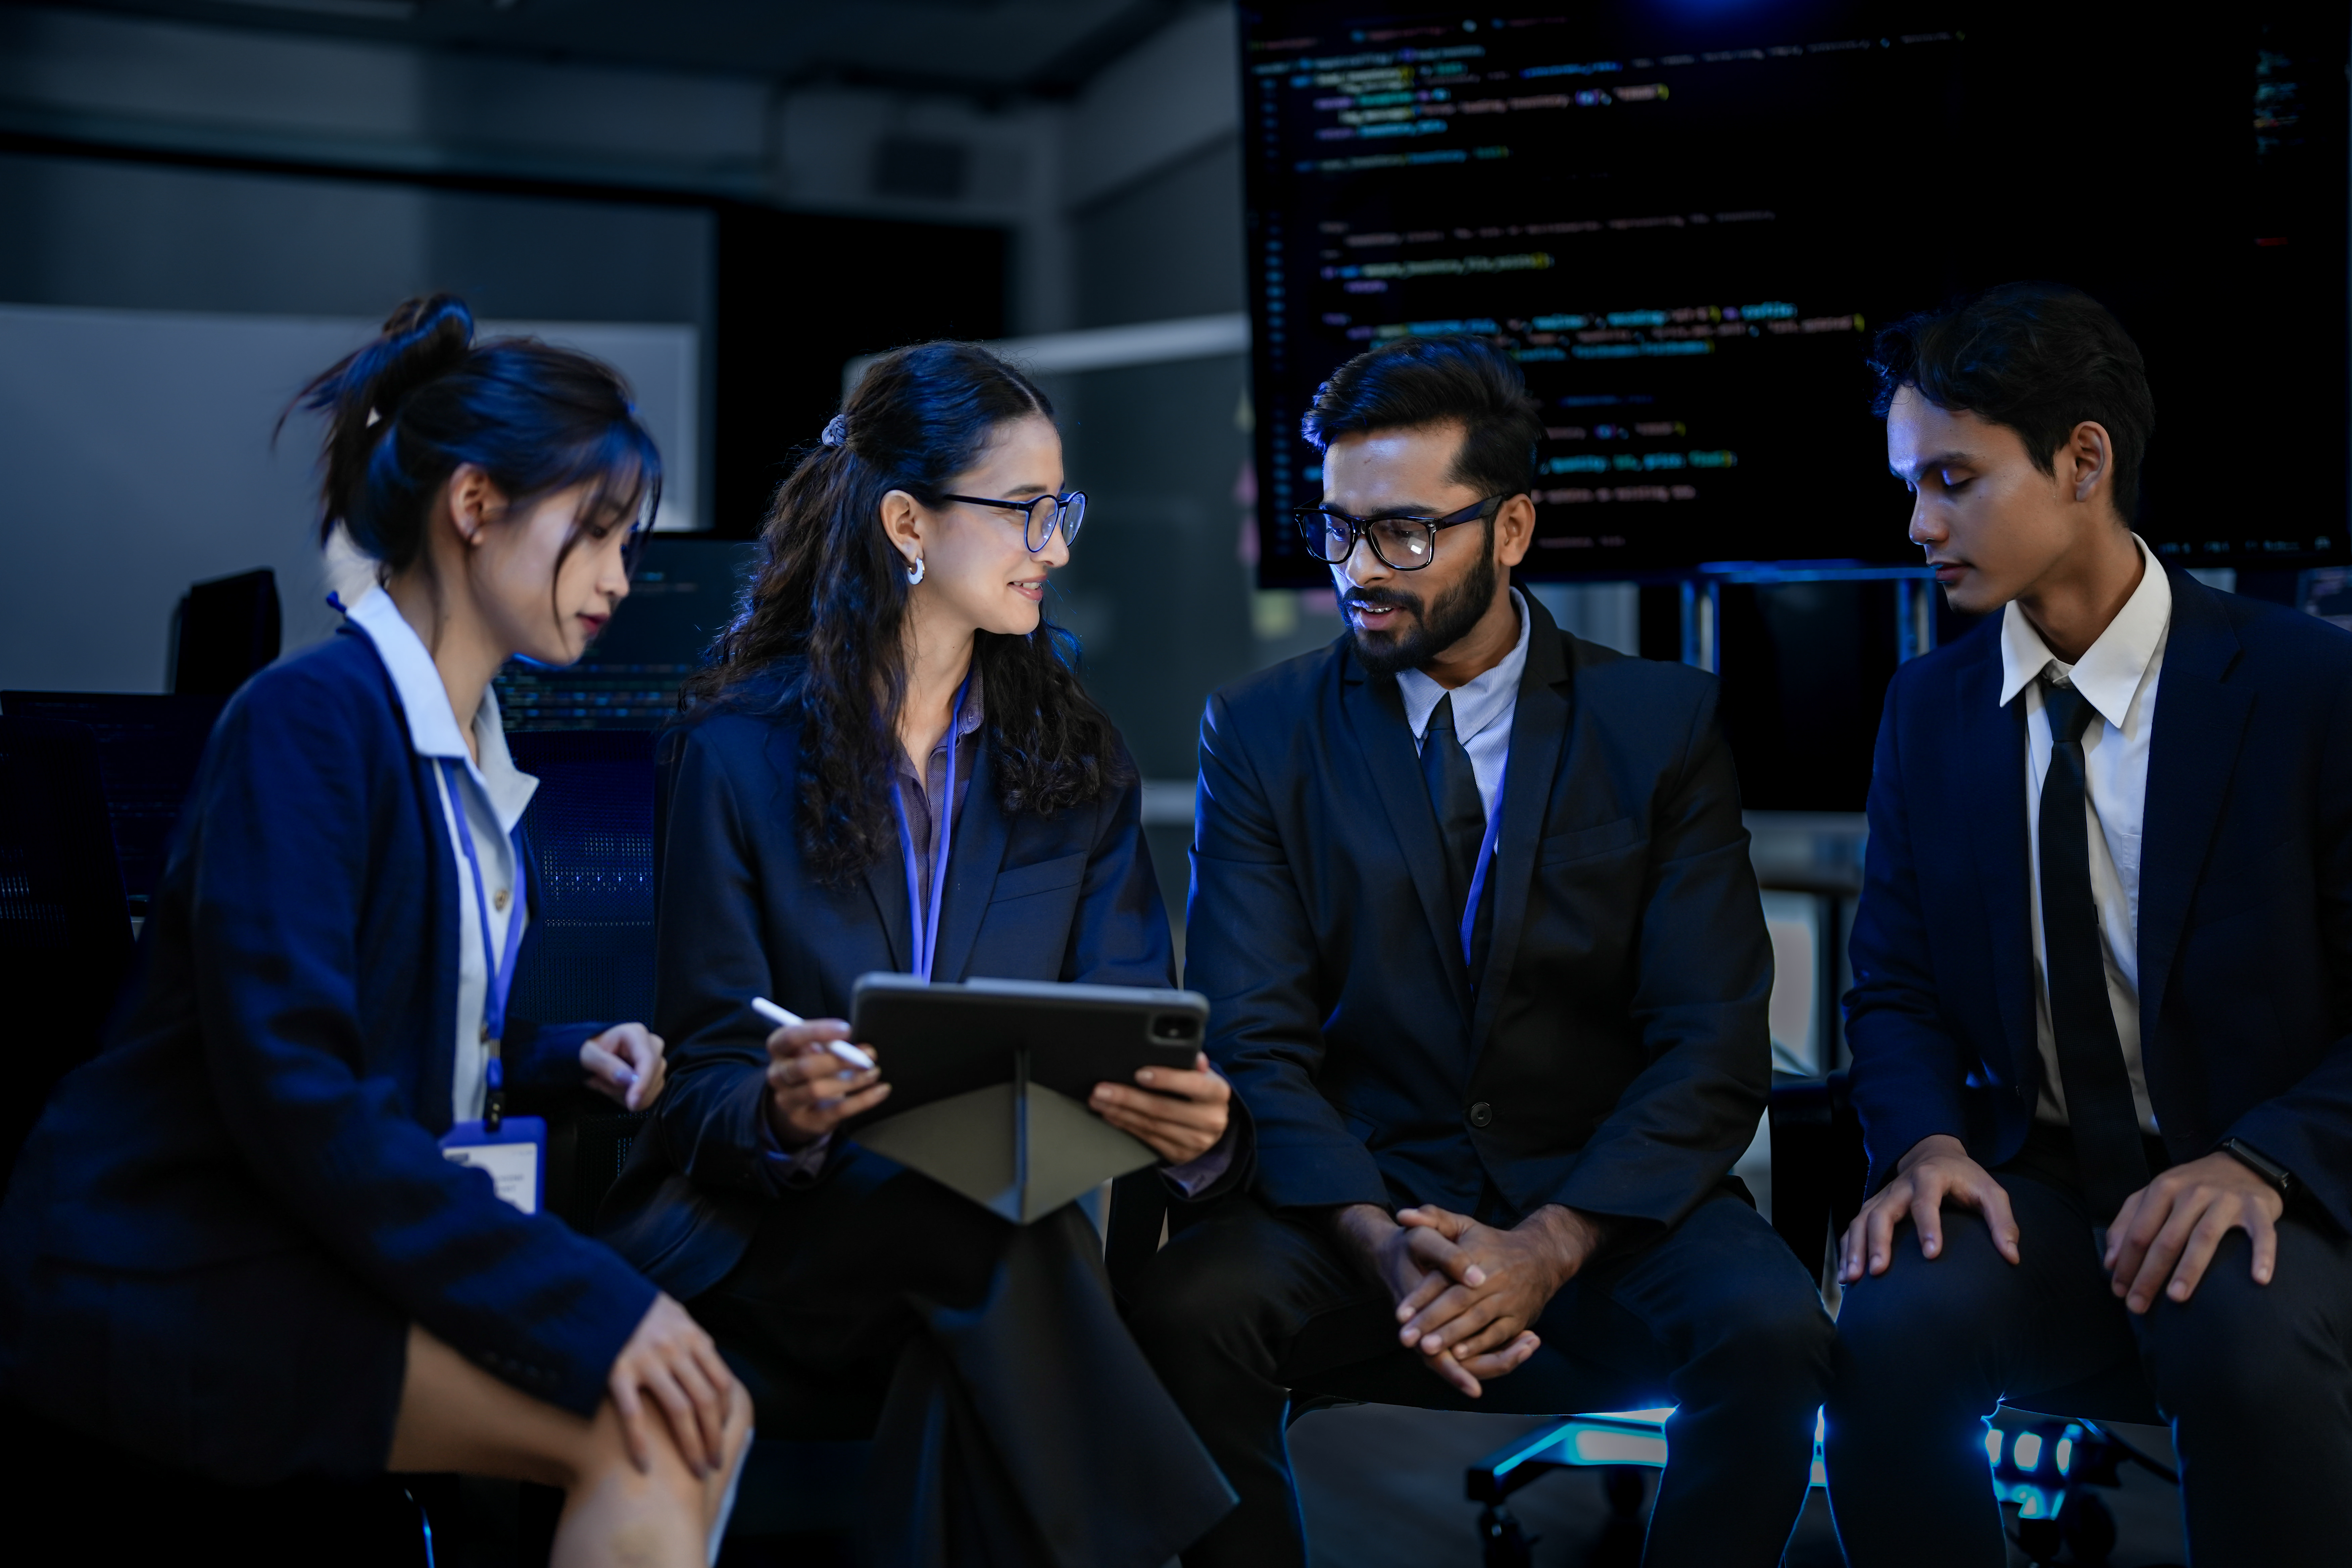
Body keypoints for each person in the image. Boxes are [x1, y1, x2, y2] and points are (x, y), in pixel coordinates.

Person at [0, 296, 750, 1565]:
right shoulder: (309, 720)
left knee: (687, 1426)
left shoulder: (463, 751)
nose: (623, 578)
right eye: (598, 533)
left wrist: (554, 1055)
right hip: (183, 1271)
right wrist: (598, 1305)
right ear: (475, 505)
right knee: (662, 1433)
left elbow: (401, 1025)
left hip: (307, 1244)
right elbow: (299, 1092)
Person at [1126, 335, 1836, 1567]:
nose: (1360, 569)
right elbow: (1255, 1039)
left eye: (1404, 534)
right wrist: (1376, 1238)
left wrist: (1549, 1243)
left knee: (1775, 1338)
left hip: (1605, 1203)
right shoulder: (1260, 730)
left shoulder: (1660, 722)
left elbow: (1710, 1041)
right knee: (1184, 1310)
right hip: (1358, 1198)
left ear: (1511, 529)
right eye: (1339, 529)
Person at [596, 340, 1246, 1568]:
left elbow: (1129, 1019)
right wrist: (781, 1113)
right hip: (781, 1235)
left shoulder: (1078, 759)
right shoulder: (735, 753)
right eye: (1027, 511)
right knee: (994, 1238)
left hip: (992, 1240)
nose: (1057, 548)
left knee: (984, 1275)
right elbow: (701, 1079)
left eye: (1063, 511)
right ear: (907, 523)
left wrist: (1186, 1119)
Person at [1823, 282, 2352, 1566]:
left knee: (2236, 1332)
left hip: (2271, 1180)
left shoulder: (2309, 687)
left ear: (2083, 462)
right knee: (1886, 1323)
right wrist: (1926, 1146)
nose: (1919, 523)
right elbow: (1892, 988)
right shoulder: (1928, 708)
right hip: (2047, 1189)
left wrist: (2257, 1161)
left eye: (1952, 479)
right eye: (1910, 485)